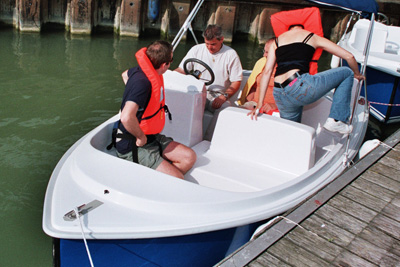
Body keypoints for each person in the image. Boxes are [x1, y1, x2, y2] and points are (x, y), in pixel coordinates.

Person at [248, 24, 365, 134]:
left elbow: (267, 72)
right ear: (302, 28)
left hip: (279, 92)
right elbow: (349, 56)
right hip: (298, 84)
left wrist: (259, 104)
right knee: (346, 73)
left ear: (289, 30)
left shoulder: (277, 41)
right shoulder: (311, 36)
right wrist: (357, 74)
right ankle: (337, 120)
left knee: (291, 130)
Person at [116, 40, 196, 179]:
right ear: (164, 65)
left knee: (189, 157)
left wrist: (138, 98)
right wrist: (140, 136)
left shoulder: (138, 71)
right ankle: (161, 178)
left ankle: (158, 177)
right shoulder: (143, 84)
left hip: (150, 137)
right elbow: (126, 117)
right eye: (171, 60)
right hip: (132, 144)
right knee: (178, 179)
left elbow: (124, 74)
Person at [175, 24, 243, 140]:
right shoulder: (196, 49)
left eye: (213, 44)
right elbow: (182, 70)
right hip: (196, 90)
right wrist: (170, 76)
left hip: (217, 94)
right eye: (207, 44)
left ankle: (208, 140)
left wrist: (224, 97)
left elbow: (236, 81)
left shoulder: (231, 54)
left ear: (221, 40)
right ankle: (179, 136)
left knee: (225, 110)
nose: (209, 47)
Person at [238, 38, 278, 114]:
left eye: (267, 52)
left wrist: (275, 106)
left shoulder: (287, 70)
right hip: (255, 104)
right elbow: (254, 87)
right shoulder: (261, 63)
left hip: (272, 109)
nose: (264, 55)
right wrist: (247, 103)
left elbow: (293, 97)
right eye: (264, 51)